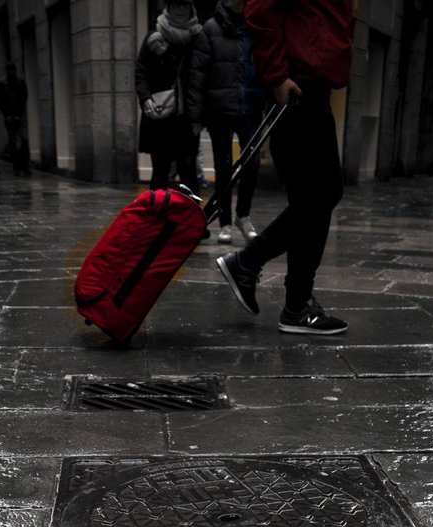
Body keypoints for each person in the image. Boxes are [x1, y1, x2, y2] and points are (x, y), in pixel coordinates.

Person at [216, 0, 352, 336]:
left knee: (317, 197)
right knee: (318, 197)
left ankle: (284, 293)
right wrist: (278, 76)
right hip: (297, 85)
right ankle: (286, 296)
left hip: (312, 87)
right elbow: (261, 10)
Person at [187, 0, 265, 244]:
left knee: (252, 163)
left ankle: (243, 215)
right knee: (224, 167)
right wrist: (195, 116)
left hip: (251, 106)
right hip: (220, 108)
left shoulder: (257, 26)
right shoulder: (210, 28)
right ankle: (225, 222)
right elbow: (197, 76)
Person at [135, 0, 203, 194]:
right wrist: (145, 98)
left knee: (189, 173)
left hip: (188, 119)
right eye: (176, 5)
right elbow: (141, 73)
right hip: (161, 116)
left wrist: (201, 114)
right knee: (161, 173)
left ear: (191, 9)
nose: (180, 10)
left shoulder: (198, 38)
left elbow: (206, 76)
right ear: (168, 8)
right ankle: (157, 220)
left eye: (184, 6)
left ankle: (192, 220)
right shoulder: (154, 39)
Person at [0, 63, 30, 176]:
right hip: (11, 115)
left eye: (12, 70)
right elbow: (1, 101)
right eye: (10, 70)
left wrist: (18, 113)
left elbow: (24, 98)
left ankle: (22, 165)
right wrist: (7, 115)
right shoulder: (2, 84)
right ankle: (19, 166)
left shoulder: (19, 82)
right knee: (15, 141)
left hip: (18, 114)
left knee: (22, 140)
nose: (11, 73)